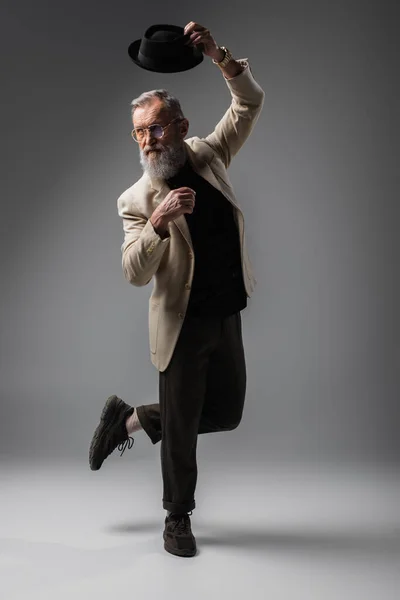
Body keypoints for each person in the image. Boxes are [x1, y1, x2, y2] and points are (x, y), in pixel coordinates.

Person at [89, 21, 265, 558]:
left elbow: (249, 103)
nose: (148, 141)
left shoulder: (209, 155)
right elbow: (132, 271)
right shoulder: (136, 198)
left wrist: (219, 56)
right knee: (183, 432)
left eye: (158, 129)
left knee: (225, 413)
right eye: (140, 133)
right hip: (182, 325)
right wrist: (159, 223)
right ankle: (177, 518)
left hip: (226, 312)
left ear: (181, 124)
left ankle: (132, 419)